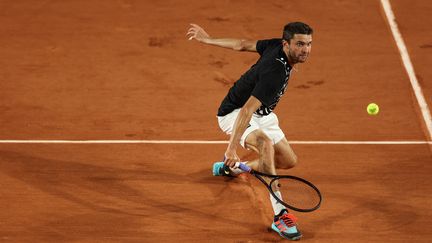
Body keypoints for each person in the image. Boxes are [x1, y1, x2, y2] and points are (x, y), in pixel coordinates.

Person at [187, 22, 313, 241]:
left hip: (263, 115)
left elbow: (242, 44)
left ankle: (232, 170)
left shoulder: (275, 45)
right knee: (265, 145)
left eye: (309, 44)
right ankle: (280, 215)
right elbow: (246, 110)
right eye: (300, 44)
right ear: (287, 43)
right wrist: (231, 149)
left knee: (289, 160)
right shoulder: (274, 71)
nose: (305, 50)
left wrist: (207, 39)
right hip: (234, 113)